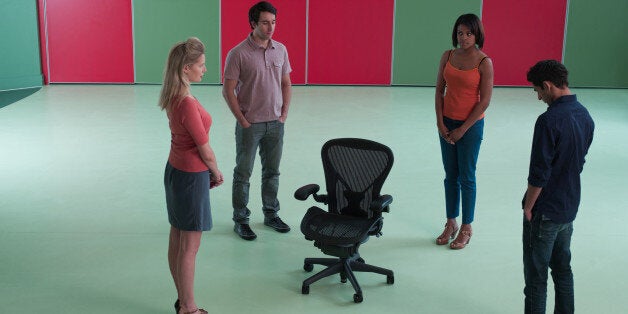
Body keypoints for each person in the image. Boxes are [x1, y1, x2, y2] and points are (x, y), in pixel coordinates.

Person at [522, 60, 594, 313]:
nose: (539, 97)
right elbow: (579, 162)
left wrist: (528, 207)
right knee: (563, 270)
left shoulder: (547, 121)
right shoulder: (585, 115)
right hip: (568, 205)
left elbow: (539, 173)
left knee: (536, 279)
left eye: (538, 91)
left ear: (548, 86)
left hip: (545, 211)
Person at [159, 37, 224, 314]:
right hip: (191, 176)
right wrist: (216, 171)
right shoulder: (185, 102)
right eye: (201, 65)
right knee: (189, 248)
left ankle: (182, 299)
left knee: (177, 237)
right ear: (186, 68)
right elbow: (204, 147)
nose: (204, 69)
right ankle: (188, 307)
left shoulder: (174, 94)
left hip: (175, 171)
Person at [222, 1, 292, 241]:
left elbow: (286, 84)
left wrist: (283, 115)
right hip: (250, 125)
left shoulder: (280, 50)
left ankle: (271, 214)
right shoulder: (238, 53)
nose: (270, 27)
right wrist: (242, 120)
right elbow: (227, 90)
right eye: (265, 22)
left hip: (275, 124)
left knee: (272, 172)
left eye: (273, 22)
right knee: (243, 173)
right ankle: (241, 220)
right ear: (253, 23)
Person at [434, 13, 493, 249]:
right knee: (450, 176)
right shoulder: (447, 56)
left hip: (470, 126)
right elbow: (439, 91)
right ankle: (451, 222)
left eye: (469, 33)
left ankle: (467, 227)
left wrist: (462, 129)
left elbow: (485, 101)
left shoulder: (484, 62)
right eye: (460, 33)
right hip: (447, 123)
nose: (464, 38)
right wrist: (441, 124)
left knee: (467, 176)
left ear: (477, 34)